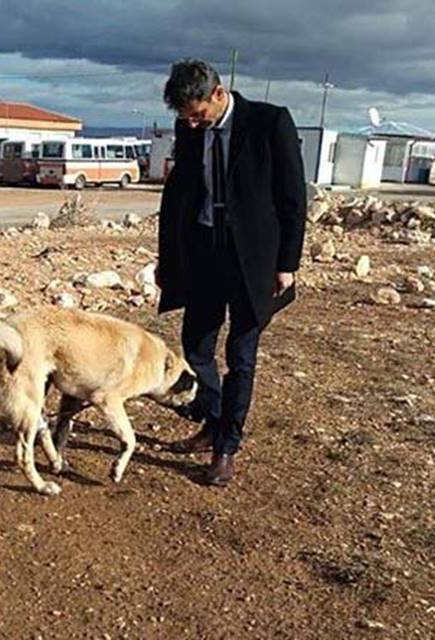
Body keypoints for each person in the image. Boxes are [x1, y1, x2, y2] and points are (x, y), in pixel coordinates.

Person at [156, 58, 306, 486]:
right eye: (185, 117)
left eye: (198, 114)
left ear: (218, 95)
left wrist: (287, 264)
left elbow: (293, 197)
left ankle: (226, 447)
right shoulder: (190, 129)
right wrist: (168, 262)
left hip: (254, 261)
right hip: (204, 252)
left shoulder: (269, 122)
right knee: (196, 346)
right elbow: (177, 198)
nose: (192, 123)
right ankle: (215, 421)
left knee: (241, 356)